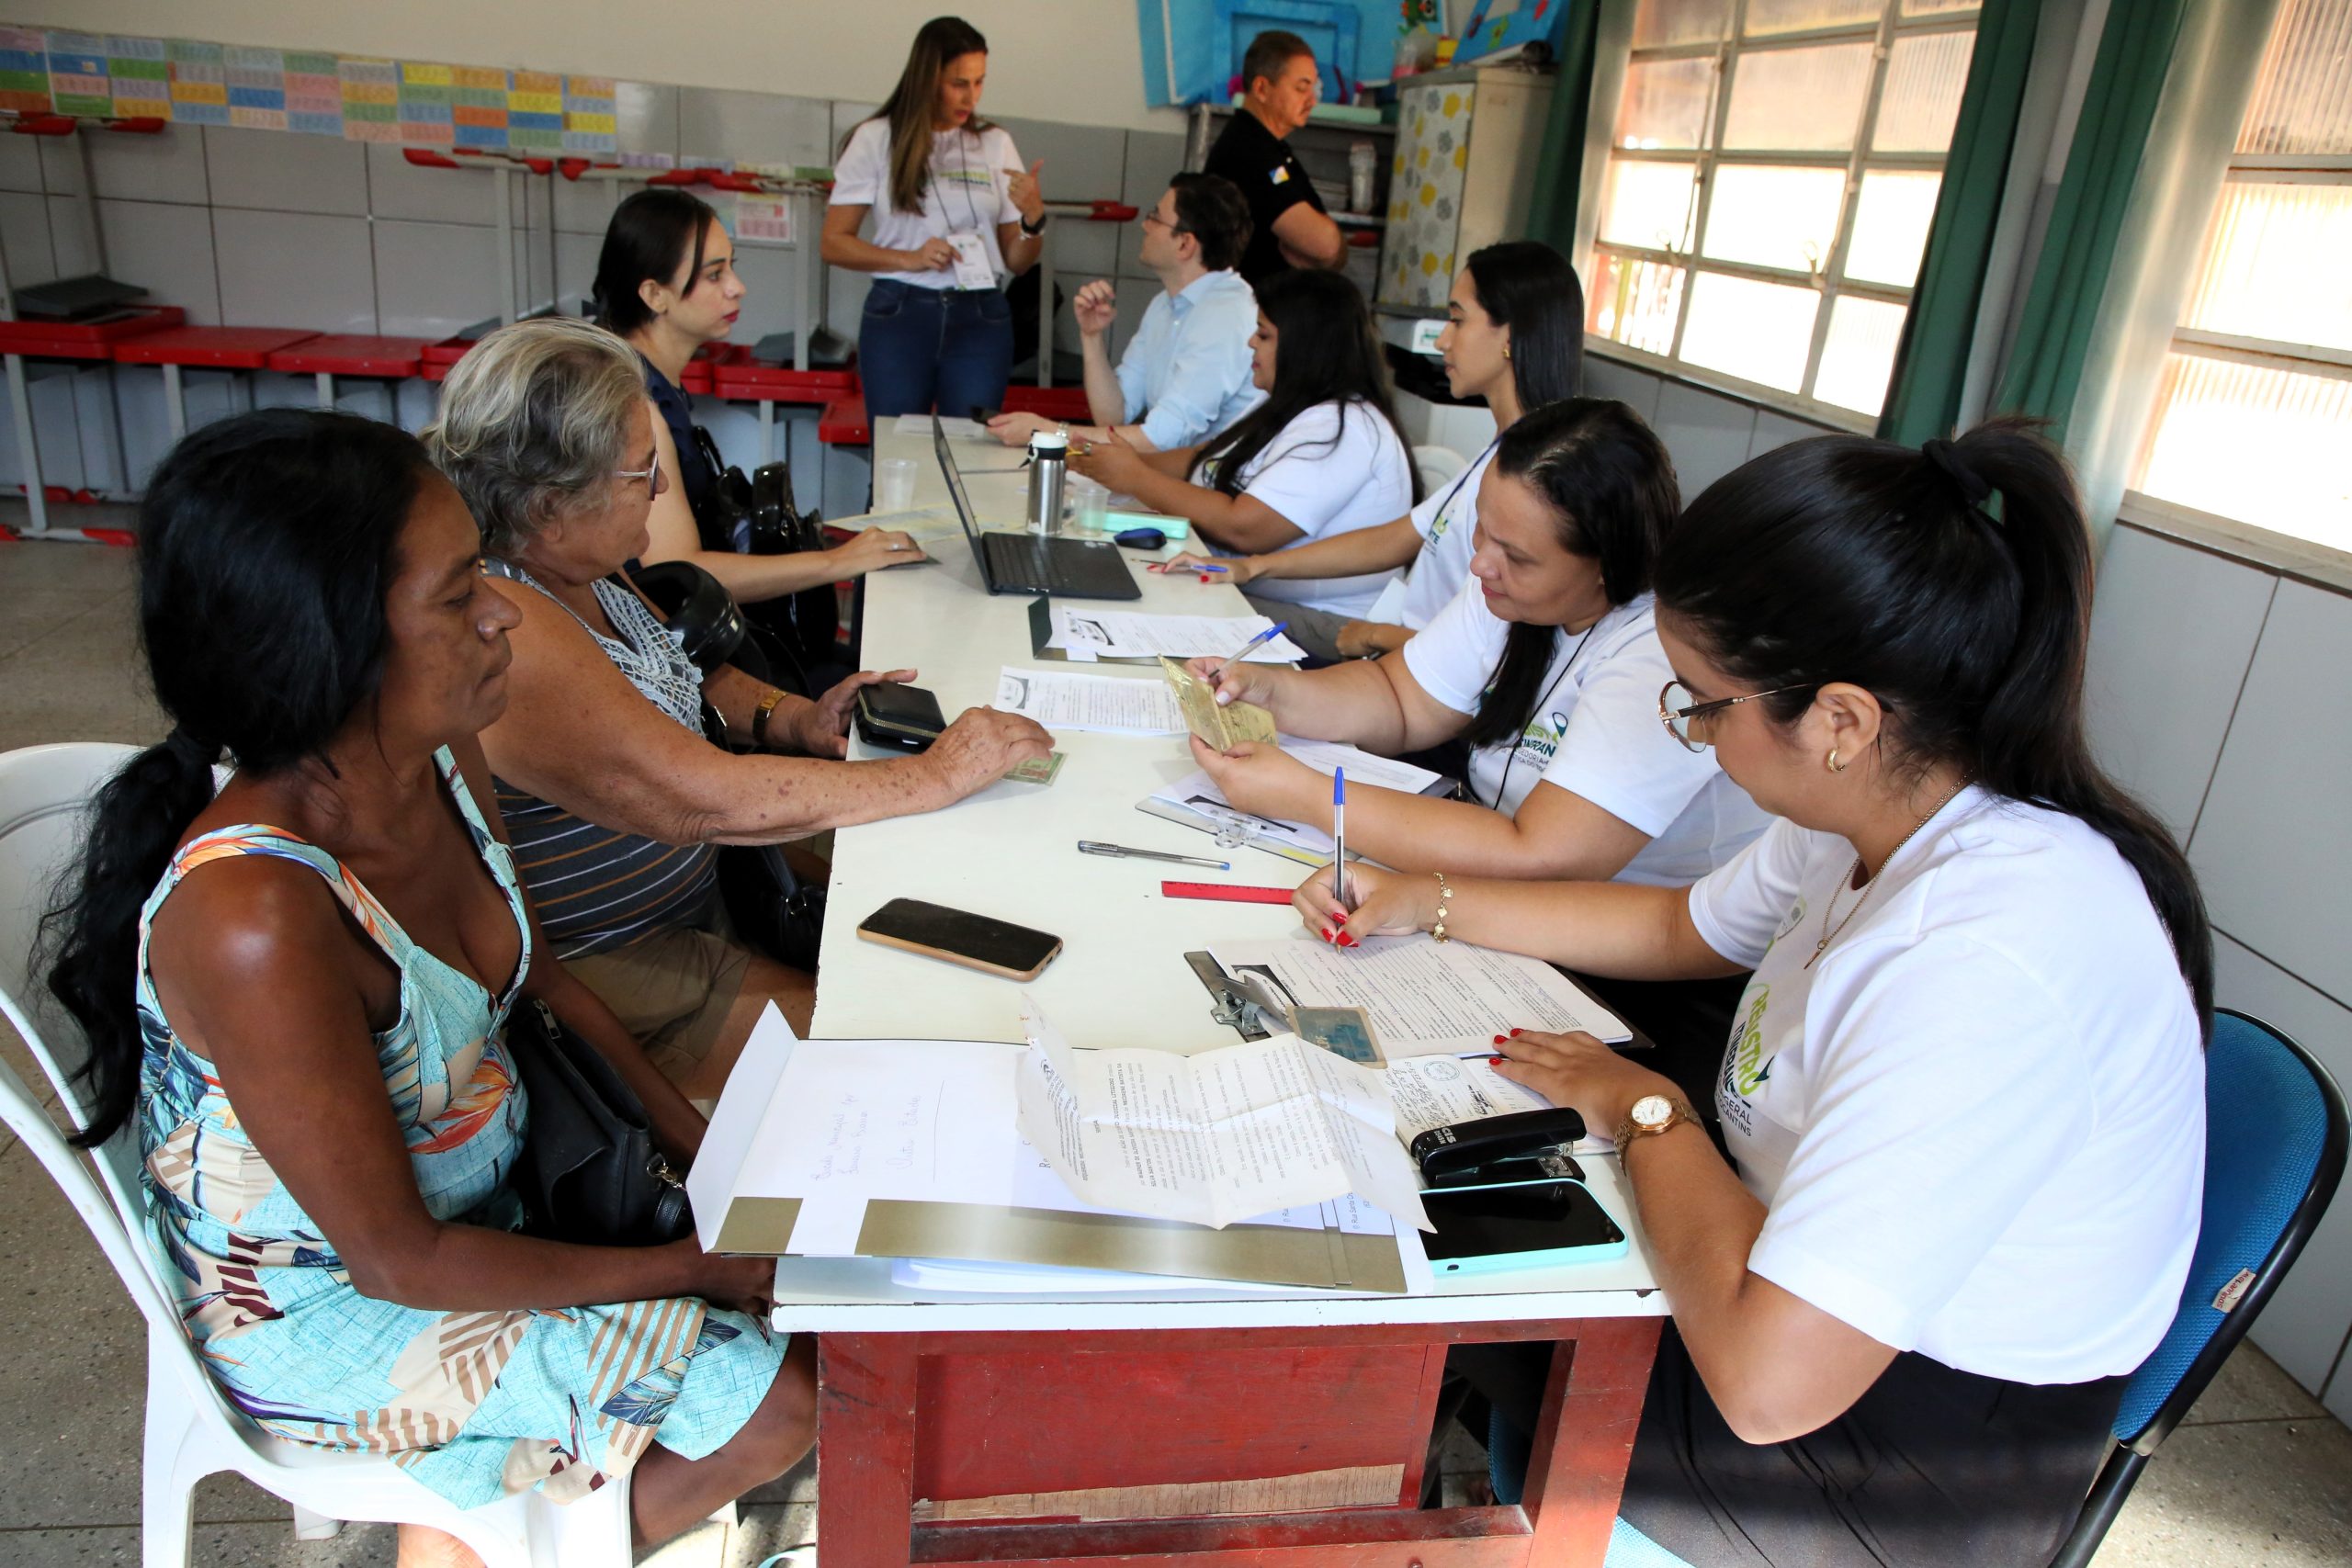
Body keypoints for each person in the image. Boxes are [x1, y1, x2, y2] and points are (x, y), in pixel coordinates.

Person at [1293, 420, 2211, 1568]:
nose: (1695, 736)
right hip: (1778, 1278)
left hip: (1892, 1453)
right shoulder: (1875, 815)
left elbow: (1771, 1388)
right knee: (1430, 1221)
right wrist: (1420, 901)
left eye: (1704, 705)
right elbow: (1678, 924)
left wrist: (1643, 1113)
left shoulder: (1987, 956)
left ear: (1839, 719)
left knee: (1424, 1310)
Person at [41, 407, 817, 1566]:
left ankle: (477, 1518)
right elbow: (395, 1262)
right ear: (337, 641)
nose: (504, 612)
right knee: (783, 1397)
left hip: (479, 1203)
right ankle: (534, 1540)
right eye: (461, 594)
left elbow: (541, 978)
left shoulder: (440, 752)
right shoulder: (256, 915)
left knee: (799, 1245)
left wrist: (694, 1156)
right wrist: (699, 1264)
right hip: (334, 1307)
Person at [424, 318, 1052, 1096]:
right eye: (639, 472)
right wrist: (934, 775)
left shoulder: (576, 564)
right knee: (892, 1049)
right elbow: (700, 798)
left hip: (712, 890)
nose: (658, 489)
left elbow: (676, 670)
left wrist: (796, 718)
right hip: (625, 959)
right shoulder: (514, 626)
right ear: (552, 506)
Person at [1161, 242, 1586, 660]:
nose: (1441, 342)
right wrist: (1254, 567)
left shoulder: (1535, 476)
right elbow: (1396, 538)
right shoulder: (1498, 451)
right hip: (1404, 655)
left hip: (1416, 667)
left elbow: (1495, 650)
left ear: (1509, 335)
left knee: (1192, 620)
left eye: (1457, 320)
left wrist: (1379, 637)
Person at [593, 187, 923, 607]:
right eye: (715, 275)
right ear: (655, 294)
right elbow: (676, 572)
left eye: (731, 268)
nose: (737, 288)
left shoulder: (652, 378)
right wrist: (838, 561)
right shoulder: (637, 406)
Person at [1069, 268, 1417, 651]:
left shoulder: (1346, 427)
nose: (1251, 343)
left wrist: (1135, 477)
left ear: (1305, 346)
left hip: (1325, 622)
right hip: (1260, 592)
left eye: (1264, 335)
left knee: (1151, 605)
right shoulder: (1283, 403)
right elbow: (1202, 462)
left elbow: (1246, 528)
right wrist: (1107, 461)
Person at [821, 16, 1049, 419]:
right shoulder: (876, 138)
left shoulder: (995, 143)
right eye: (959, 83)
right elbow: (834, 242)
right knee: (896, 462)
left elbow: (1017, 261)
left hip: (981, 314)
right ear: (927, 79)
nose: (971, 97)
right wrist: (909, 258)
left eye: (979, 82)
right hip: (901, 311)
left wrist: (1034, 219)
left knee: (970, 458)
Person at [984, 173, 1262, 454]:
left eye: (1155, 217)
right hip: (1180, 475)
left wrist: (1048, 432)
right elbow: (1114, 416)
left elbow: (1161, 438)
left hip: (1217, 487)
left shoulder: (1225, 315)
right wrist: (1091, 336)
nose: (1144, 225)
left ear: (1185, 244)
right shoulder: (1165, 304)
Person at [1204, 29, 1345, 283]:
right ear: (1261, 88)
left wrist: (1332, 247)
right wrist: (1330, 246)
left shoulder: (1272, 147)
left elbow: (1331, 250)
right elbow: (1324, 245)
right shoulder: (1249, 149)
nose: (1312, 100)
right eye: (1301, 88)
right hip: (1249, 310)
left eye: (1314, 89)